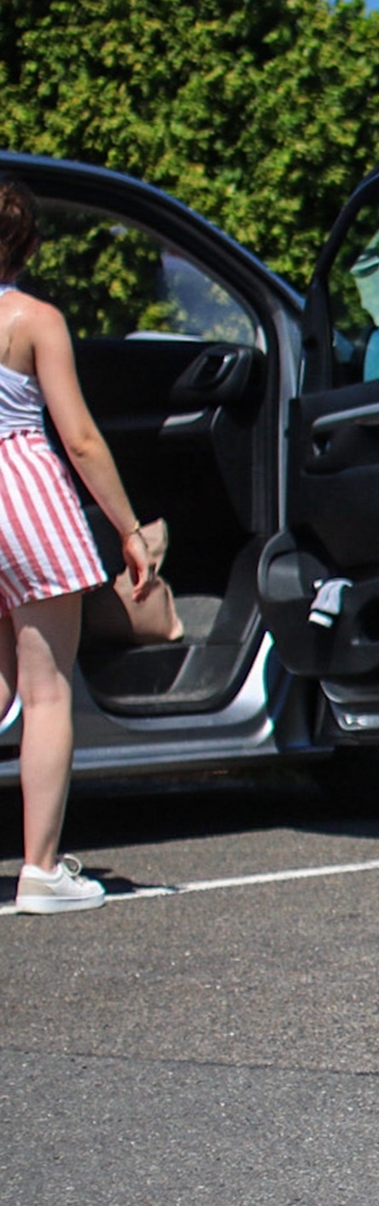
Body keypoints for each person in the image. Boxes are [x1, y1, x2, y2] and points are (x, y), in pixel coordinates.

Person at [0, 180, 154, 913]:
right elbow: (82, 440)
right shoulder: (34, 320)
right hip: (24, 497)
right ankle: (41, 870)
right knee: (47, 690)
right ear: (27, 246)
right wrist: (127, 528)